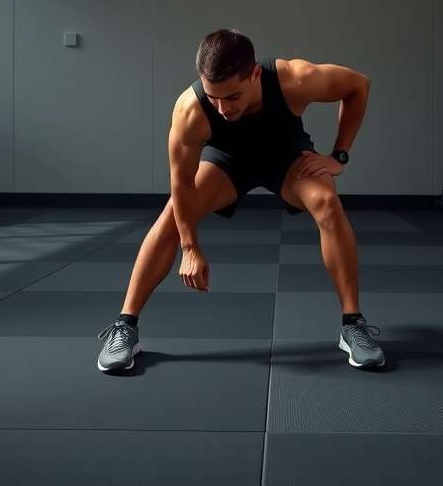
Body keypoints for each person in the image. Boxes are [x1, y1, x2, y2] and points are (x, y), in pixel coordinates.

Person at [96, 28, 385, 372]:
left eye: (231, 97)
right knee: (174, 213)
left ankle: (353, 324)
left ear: (254, 74)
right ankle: (125, 327)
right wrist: (190, 248)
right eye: (213, 97)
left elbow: (357, 85)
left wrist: (339, 155)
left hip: (287, 157)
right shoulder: (190, 110)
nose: (221, 109)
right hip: (228, 163)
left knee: (327, 202)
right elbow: (182, 184)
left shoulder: (294, 79)